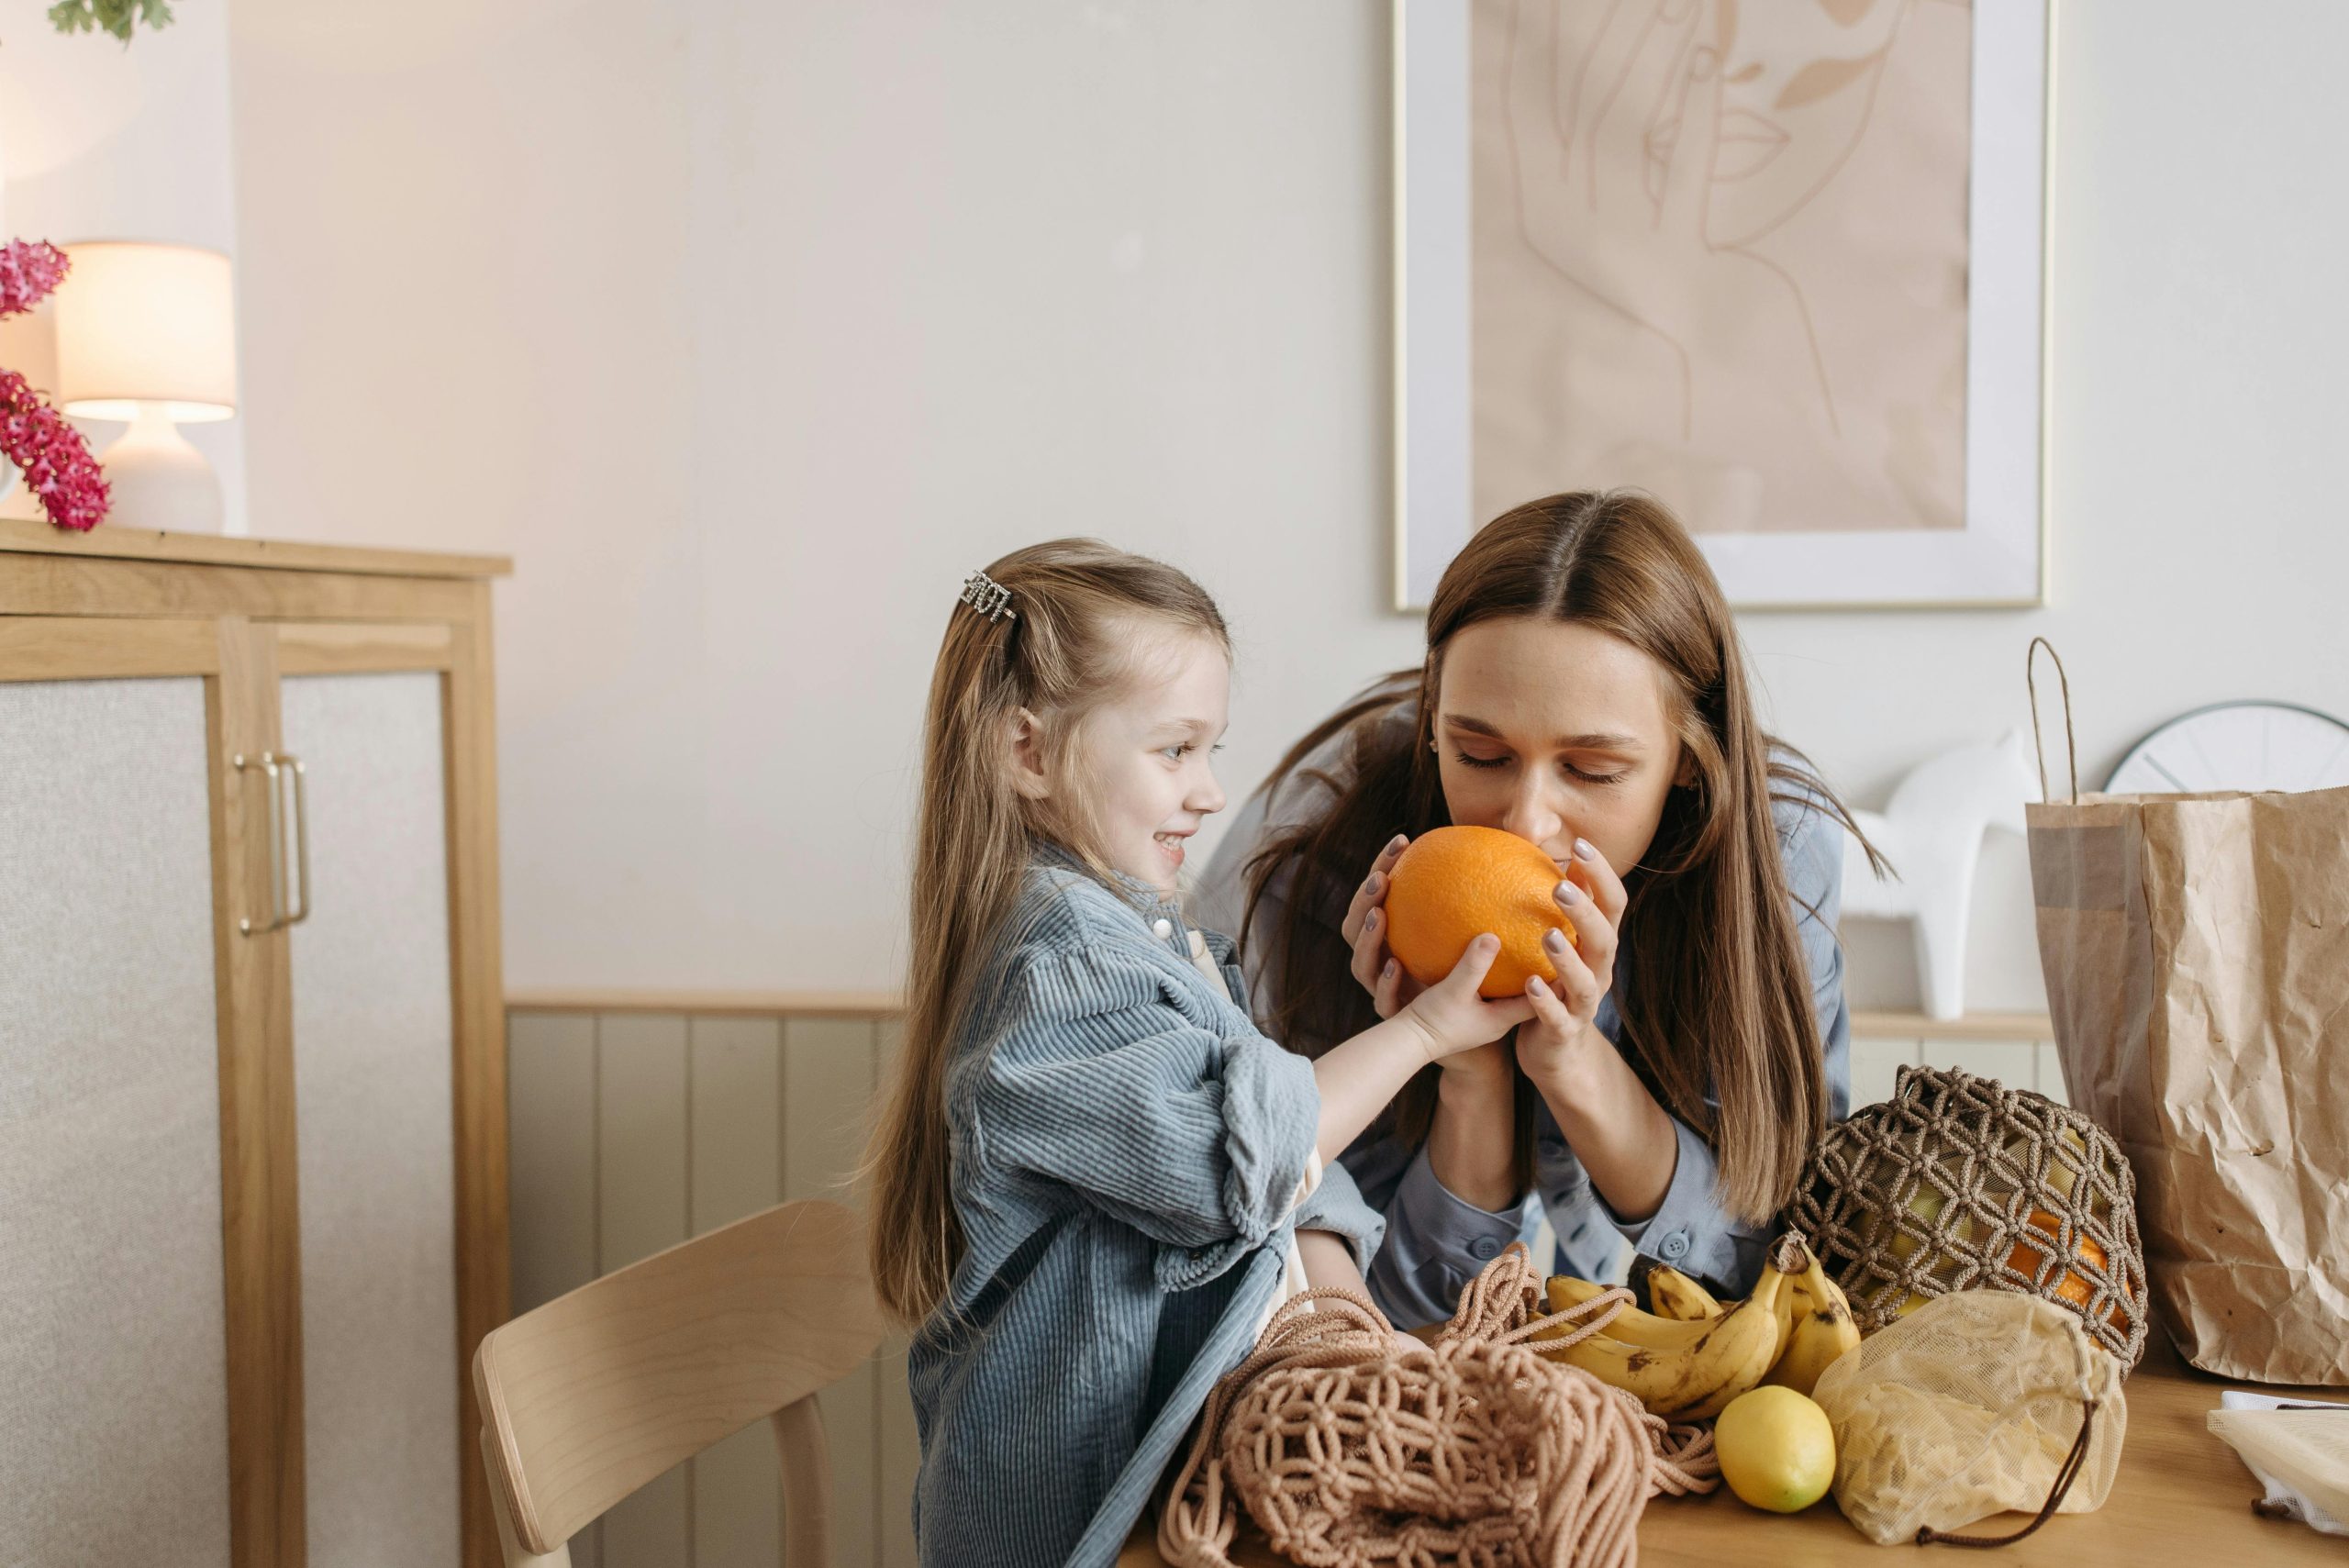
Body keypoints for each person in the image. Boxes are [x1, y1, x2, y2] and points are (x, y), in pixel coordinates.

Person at [863, 539, 1537, 1568]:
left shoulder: (1143, 936)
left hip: (1168, 1485)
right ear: (1029, 752)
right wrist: (1418, 1033)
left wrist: (1344, 1315)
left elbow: (1282, 1163)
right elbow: (1238, 1160)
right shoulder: (1065, 970)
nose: (1212, 790)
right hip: (1073, 1521)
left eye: (1210, 749)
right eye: (1175, 750)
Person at [1195, 491, 1869, 1327]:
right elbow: (1369, 1310)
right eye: (1481, 754)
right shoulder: (1322, 841)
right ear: (1434, 721)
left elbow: (1787, 1263)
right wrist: (1464, 1075)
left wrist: (1575, 1063)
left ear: (1691, 759)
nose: (1525, 823)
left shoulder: (1778, 853)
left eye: (1591, 770)